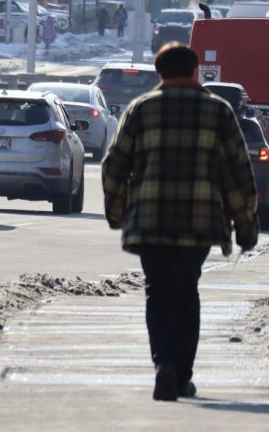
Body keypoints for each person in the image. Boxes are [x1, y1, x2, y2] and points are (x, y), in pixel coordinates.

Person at [101, 42, 258, 402]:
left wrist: (118, 212)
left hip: (151, 220)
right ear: (195, 71)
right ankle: (183, 374)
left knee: (158, 292)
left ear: (159, 74)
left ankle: (163, 366)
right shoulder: (218, 112)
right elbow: (237, 174)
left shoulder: (141, 109)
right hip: (200, 220)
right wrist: (246, 226)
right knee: (187, 292)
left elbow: (114, 165)